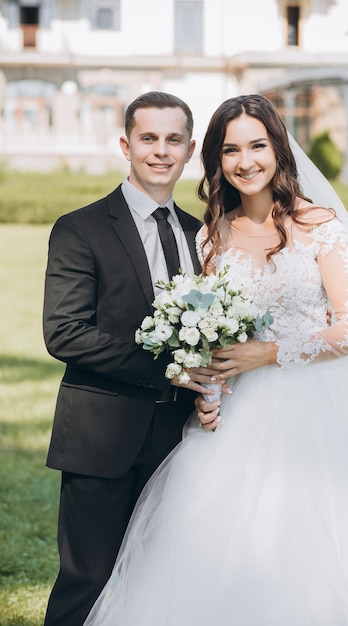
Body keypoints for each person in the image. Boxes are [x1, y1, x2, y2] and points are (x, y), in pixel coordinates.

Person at [84, 94, 348, 625]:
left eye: (257, 145)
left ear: (278, 149)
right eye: (231, 150)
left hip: (317, 406)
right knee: (222, 542)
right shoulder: (212, 236)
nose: (246, 161)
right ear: (216, 160)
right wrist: (210, 397)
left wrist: (272, 352)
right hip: (238, 417)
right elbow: (214, 333)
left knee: (313, 541)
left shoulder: (318, 224)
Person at [42, 91, 216, 626]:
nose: (160, 151)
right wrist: (168, 369)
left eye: (173, 140)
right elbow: (65, 333)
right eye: (148, 138)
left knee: (162, 579)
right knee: (88, 580)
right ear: (126, 145)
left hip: (180, 442)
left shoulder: (202, 235)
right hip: (101, 438)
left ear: (189, 150)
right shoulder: (81, 229)